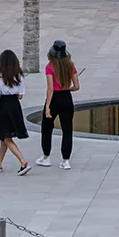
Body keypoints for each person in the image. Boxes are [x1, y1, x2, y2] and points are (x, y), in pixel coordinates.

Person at [39, 40, 81, 168]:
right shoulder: (71, 66)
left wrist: (47, 106)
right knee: (67, 130)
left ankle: (46, 157)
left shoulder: (50, 67)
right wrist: (67, 89)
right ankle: (65, 160)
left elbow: (50, 88)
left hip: (55, 98)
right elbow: (77, 86)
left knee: (47, 128)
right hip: (67, 98)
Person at [0, 49, 30, 174]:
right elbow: (20, 96)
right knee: (4, 136)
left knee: (6, 137)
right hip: (15, 106)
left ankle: (22, 161)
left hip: (3, 107)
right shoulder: (20, 75)